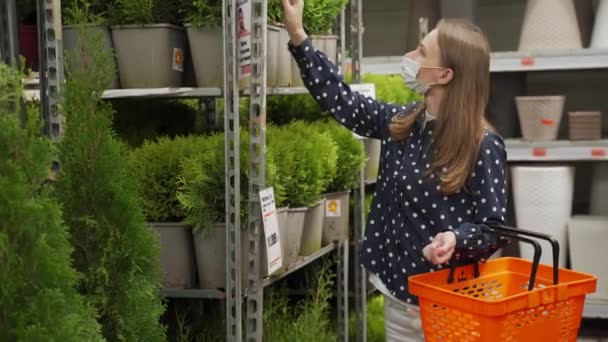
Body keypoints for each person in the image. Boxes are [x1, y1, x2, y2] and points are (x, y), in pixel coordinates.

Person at [280, 0, 509, 340]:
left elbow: (494, 229)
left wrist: (455, 238)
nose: (411, 57)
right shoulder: (404, 123)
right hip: (398, 295)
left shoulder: (482, 144)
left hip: (450, 305)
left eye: (421, 51)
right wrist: (299, 37)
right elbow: (342, 101)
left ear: (445, 75)